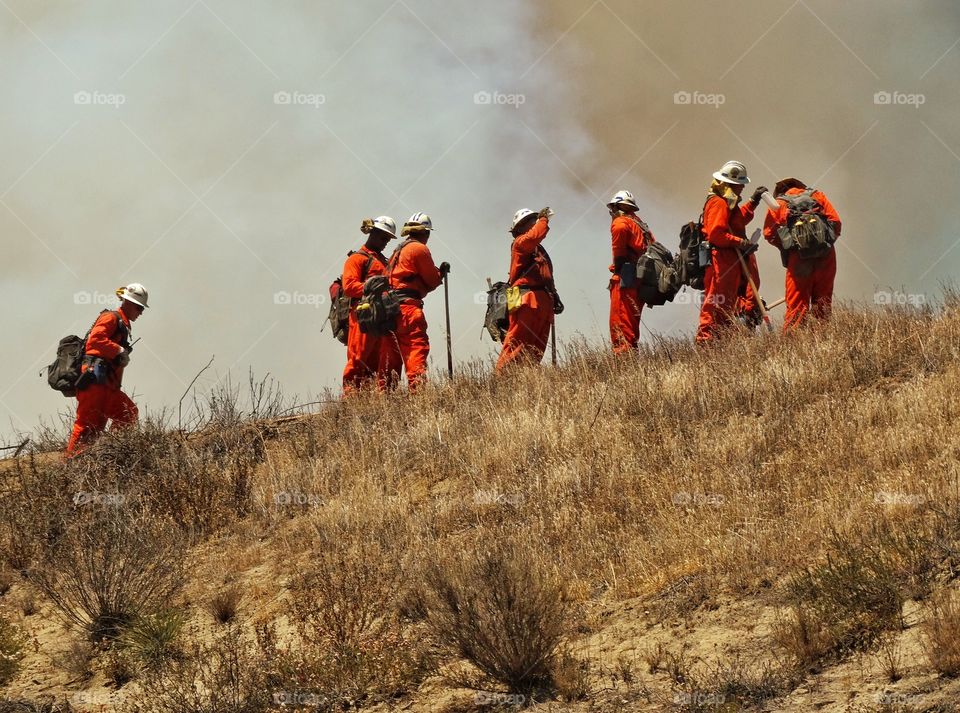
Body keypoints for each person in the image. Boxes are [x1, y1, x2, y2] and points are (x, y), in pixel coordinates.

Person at [66, 284, 148, 456]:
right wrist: (119, 350)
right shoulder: (111, 317)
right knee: (86, 427)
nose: (140, 313)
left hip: (107, 385)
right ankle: (68, 464)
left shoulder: (122, 324)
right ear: (127, 302)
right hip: (95, 383)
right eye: (139, 308)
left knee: (127, 413)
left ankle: (109, 452)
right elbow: (95, 341)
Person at [695, 161, 767, 343]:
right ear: (729, 184)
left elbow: (737, 223)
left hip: (728, 260)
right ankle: (706, 344)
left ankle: (721, 345)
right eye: (739, 184)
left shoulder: (727, 202)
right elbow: (716, 235)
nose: (742, 187)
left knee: (726, 307)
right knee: (715, 306)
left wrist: (753, 202)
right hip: (720, 261)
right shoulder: (718, 203)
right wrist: (742, 243)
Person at [380, 212, 448, 389]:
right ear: (426, 232)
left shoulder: (398, 250)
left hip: (389, 310)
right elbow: (431, 280)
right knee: (415, 351)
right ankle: (418, 395)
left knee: (389, 359)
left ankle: (384, 397)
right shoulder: (419, 249)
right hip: (408, 310)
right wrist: (440, 274)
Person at [763, 177, 842, 330]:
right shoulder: (817, 195)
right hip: (826, 257)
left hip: (798, 260)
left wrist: (788, 246)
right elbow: (836, 223)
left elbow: (769, 234)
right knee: (823, 304)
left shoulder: (778, 203)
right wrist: (822, 243)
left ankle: (793, 343)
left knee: (797, 307)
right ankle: (824, 340)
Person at [496, 207, 562, 370]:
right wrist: (544, 219)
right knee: (516, 342)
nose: (534, 223)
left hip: (542, 299)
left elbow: (546, 274)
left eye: (535, 220)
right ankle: (502, 377)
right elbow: (534, 236)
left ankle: (526, 376)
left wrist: (554, 295)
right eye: (530, 221)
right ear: (520, 227)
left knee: (536, 346)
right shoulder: (520, 243)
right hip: (523, 297)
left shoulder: (539, 250)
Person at [341, 216, 394, 393]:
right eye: (383, 238)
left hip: (381, 317)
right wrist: (369, 288)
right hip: (363, 316)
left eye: (388, 240)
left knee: (377, 362)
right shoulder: (357, 259)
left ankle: (368, 400)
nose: (385, 243)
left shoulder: (384, 261)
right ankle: (350, 399)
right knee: (358, 359)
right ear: (373, 233)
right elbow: (349, 287)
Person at [606, 190, 655, 353]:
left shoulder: (620, 224)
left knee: (621, 324)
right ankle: (630, 356)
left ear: (617, 206)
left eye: (612, 208)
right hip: (640, 280)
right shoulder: (640, 224)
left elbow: (618, 254)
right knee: (631, 324)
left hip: (626, 280)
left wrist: (617, 269)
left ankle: (624, 361)